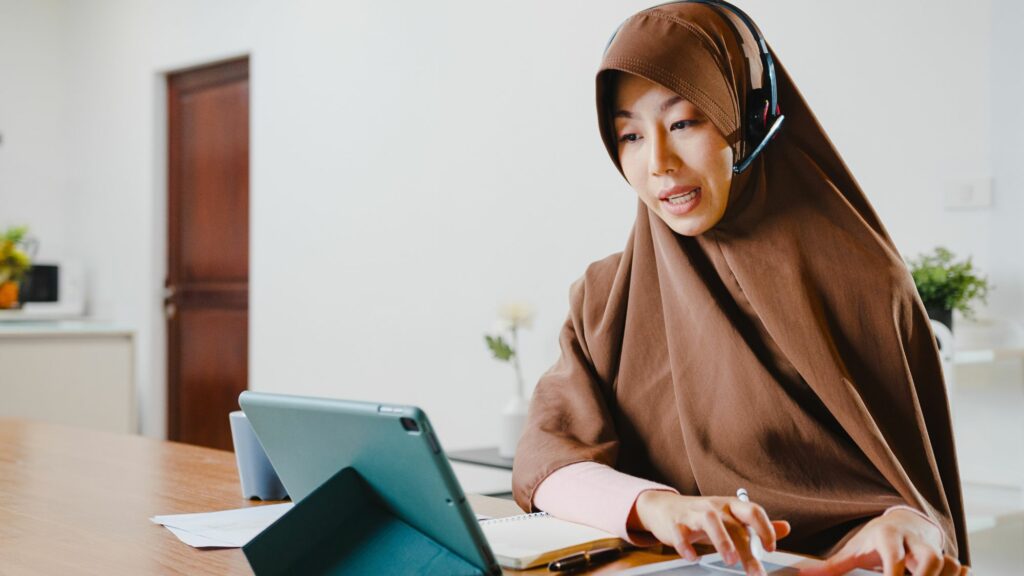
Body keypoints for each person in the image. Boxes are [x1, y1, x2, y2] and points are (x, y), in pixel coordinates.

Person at [510, 2, 970, 576]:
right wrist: (658, 508)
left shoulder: (862, 283)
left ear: (751, 119)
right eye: (629, 135)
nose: (658, 162)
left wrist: (906, 524)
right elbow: (546, 463)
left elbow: (913, 499)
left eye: (684, 122)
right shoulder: (604, 296)